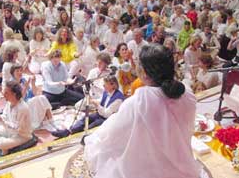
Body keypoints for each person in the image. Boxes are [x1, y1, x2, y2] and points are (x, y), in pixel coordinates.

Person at [84, 44, 200, 178]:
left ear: (144, 73)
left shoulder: (139, 102)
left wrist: (91, 139)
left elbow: (109, 135)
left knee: (101, 149)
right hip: (182, 165)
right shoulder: (188, 94)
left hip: (148, 168)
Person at [52, 75, 124, 138]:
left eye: (105, 84)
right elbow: (102, 101)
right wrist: (92, 100)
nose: (103, 86)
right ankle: (68, 131)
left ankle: (83, 136)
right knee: (85, 119)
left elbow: (106, 114)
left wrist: (97, 105)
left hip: (108, 119)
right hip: (100, 114)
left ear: (112, 85)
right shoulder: (107, 92)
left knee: (90, 127)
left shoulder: (118, 98)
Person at [0, 81, 33, 155]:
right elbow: (4, 117)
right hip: (8, 130)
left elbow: (16, 130)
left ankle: (2, 144)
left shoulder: (23, 108)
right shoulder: (9, 103)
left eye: (6, 93)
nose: (3, 94)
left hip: (21, 136)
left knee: (2, 144)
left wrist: (3, 122)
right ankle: (2, 143)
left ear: (14, 94)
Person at [10, 64, 54, 131]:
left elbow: (34, 93)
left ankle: (50, 120)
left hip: (29, 101)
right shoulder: (12, 84)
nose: (20, 72)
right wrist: (25, 87)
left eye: (21, 71)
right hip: (21, 105)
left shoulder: (23, 80)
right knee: (38, 99)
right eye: (17, 71)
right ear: (13, 73)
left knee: (41, 97)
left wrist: (33, 83)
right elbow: (19, 99)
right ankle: (47, 121)